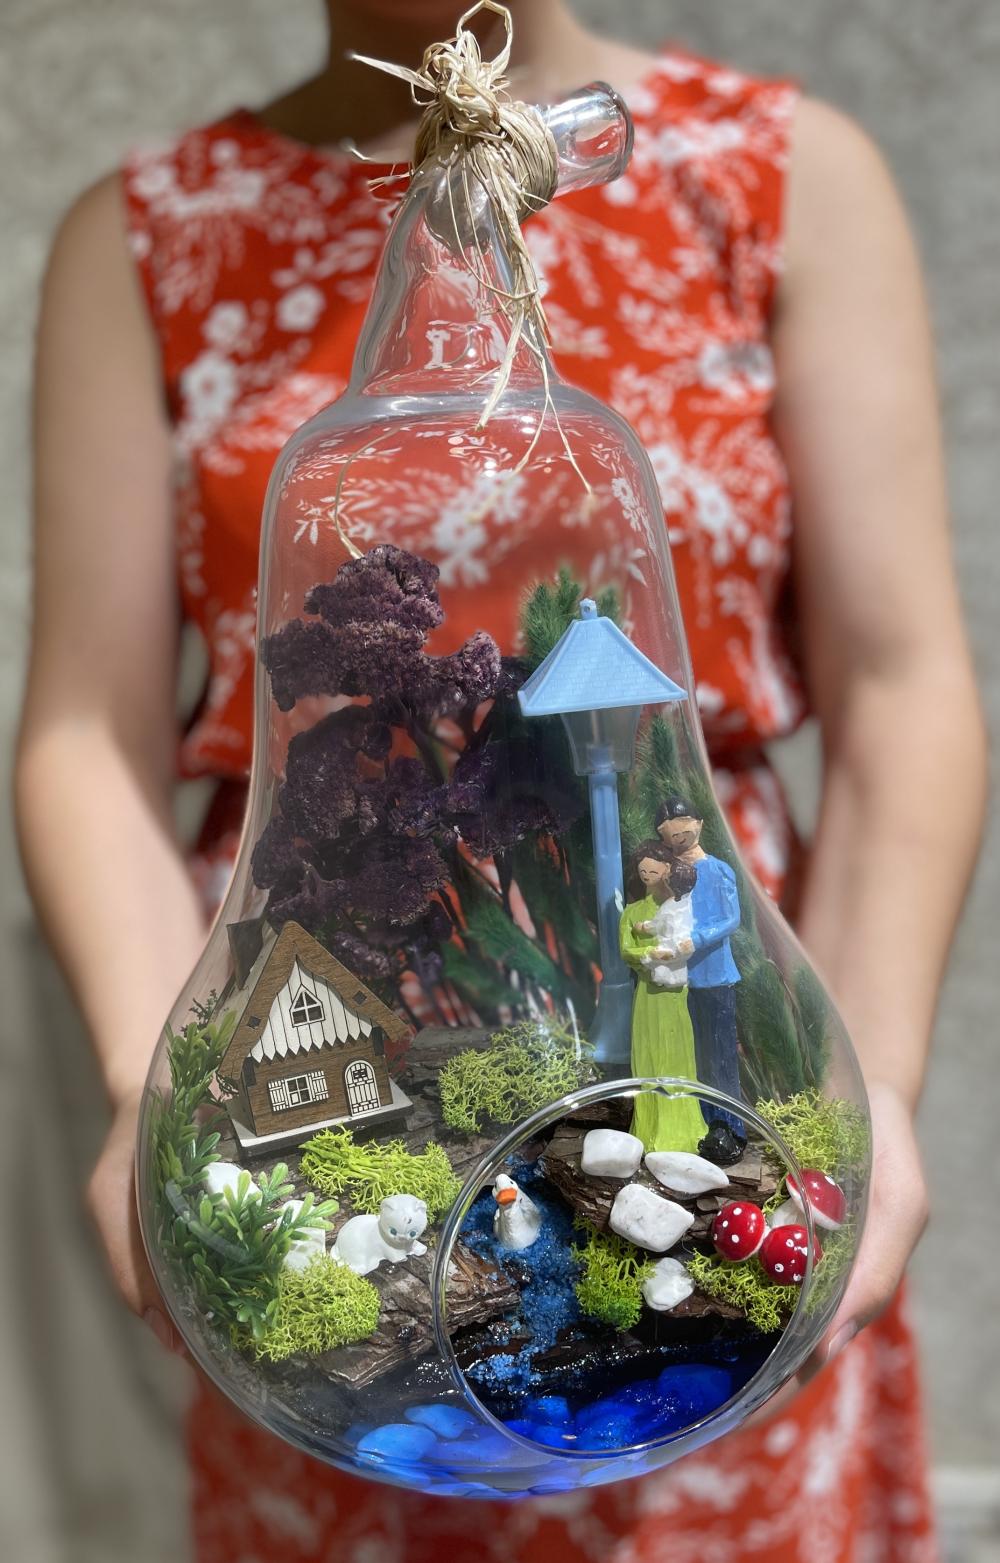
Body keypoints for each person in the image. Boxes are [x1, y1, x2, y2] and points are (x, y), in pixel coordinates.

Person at [16, 0, 987, 1559]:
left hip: (704, 977)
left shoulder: (784, 173)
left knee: (680, 1292)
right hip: (323, 988)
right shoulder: (148, 231)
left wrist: (863, 1080)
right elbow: (89, 725)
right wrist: (160, 1087)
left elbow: (899, 682)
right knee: (363, 1384)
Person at [655, 795, 746, 1156]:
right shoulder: (667, 875)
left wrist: (696, 939)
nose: (678, 837)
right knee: (691, 1057)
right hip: (678, 979)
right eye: (670, 832)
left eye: (683, 828)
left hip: (715, 976)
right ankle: (699, 1123)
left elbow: (731, 918)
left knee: (720, 1056)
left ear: (699, 826)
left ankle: (730, 1128)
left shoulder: (718, 870)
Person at [620, 841, 707, 1152]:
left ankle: (684, 1129)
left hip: (674, 993)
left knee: (678, 1055)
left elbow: (690, 939)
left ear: (668, 870)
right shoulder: (632, 911)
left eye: (653, 871)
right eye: (642, 871)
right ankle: (649, 1129)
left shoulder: (682, 905)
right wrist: (649, 953)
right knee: (648, 1056)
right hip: (648, 991)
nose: (647, 876)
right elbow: (626, 950)